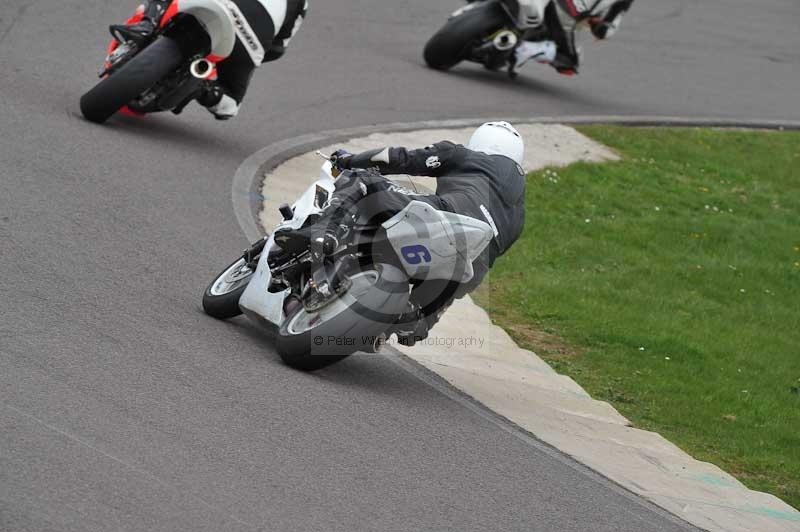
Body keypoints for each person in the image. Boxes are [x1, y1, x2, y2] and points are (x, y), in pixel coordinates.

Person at [274, 122, 527, 346]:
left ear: (479, 143)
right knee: (419, 314)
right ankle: (416, 320)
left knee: (361, 180)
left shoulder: (464, 155)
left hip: (448, 216)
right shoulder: (519, 214)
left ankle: (324, 233)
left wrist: (350, 160)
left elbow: (397, 158)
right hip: (471, 265)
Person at [109, 0, 308, 119]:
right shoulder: (302, 3)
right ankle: (203, 89)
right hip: (252, 37)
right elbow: (277, 49)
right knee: (230, 106)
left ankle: (147, 25)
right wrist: (238, 61)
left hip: (218, 3)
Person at [513, 0, 634, 75]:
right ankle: (523, 49)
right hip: (567, 11)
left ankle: (519, 39)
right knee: (570, 61)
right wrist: (596, 23)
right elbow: (604, 31)